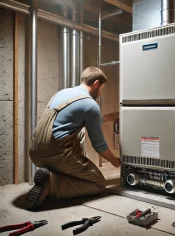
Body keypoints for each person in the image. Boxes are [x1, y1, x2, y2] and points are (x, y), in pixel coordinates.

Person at [25, 67, 120, 210]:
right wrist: (115, 161)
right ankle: (51, 184)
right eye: (101, 89)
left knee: (79, 131)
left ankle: (52, 176)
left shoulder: (63, 93)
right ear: (96, 83)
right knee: (99, 184)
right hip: (55, 154)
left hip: (35, 152)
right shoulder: (90, 104)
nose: (100, 94)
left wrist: (113, 116)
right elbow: (99, 145)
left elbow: (90, 117)